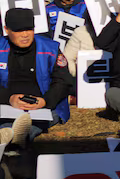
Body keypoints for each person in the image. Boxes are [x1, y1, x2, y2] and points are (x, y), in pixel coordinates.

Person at [0, 8, 71, 146]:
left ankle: (14, 135)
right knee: (9, 119)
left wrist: (45, 101)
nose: (25, 35)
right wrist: (9, 98)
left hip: (43, 106)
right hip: (7, 104)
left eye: (29, 29)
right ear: (7, 30)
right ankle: (14, 135)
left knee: (39, 120)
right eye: (19, 30)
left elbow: (63, 82)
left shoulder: (50, 48)